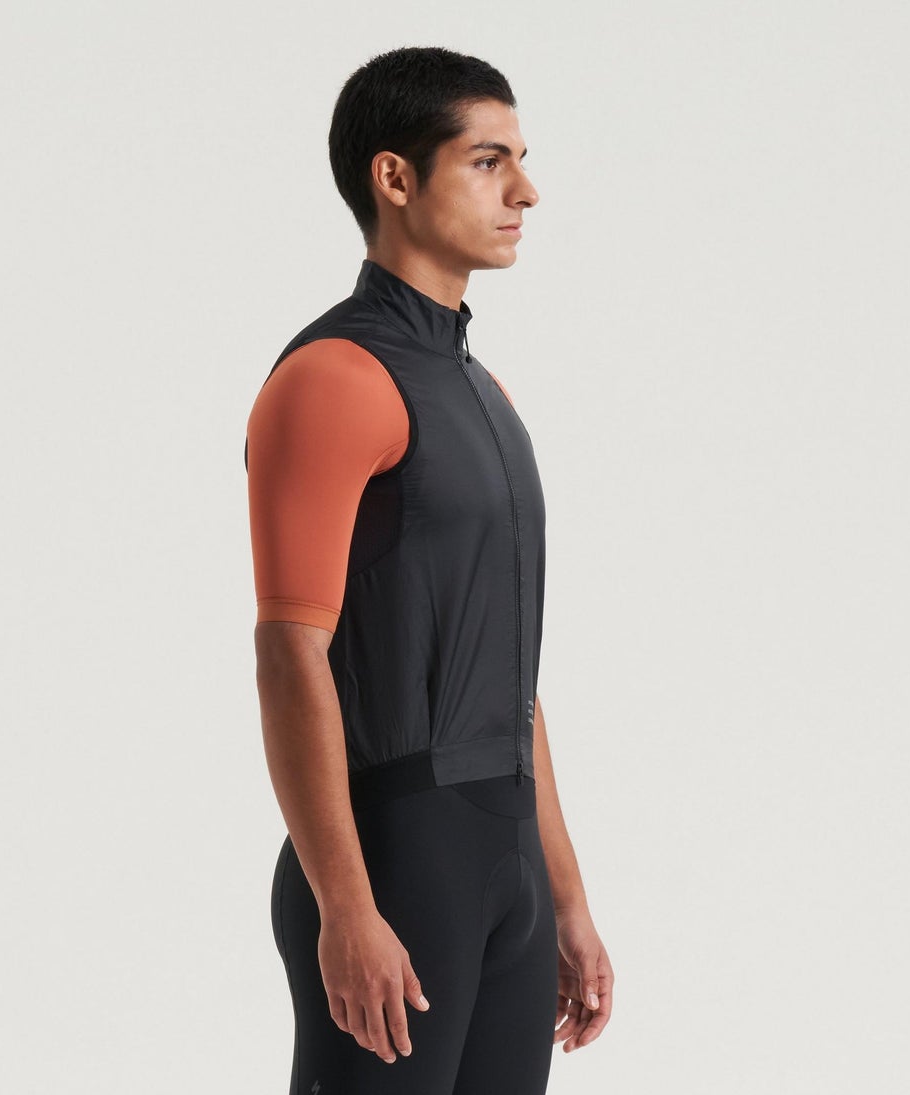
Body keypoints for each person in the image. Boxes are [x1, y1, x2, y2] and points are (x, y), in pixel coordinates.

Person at [245, 47, 614, 1094]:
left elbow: (510, 684)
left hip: (504, 867)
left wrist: (566, 898)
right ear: (395, 178)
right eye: (489, 161)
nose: (524, 191)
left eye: (521, 161)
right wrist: (345, 906)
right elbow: (289, 653)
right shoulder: (333, 378)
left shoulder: (484, 392)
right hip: (393, 863)